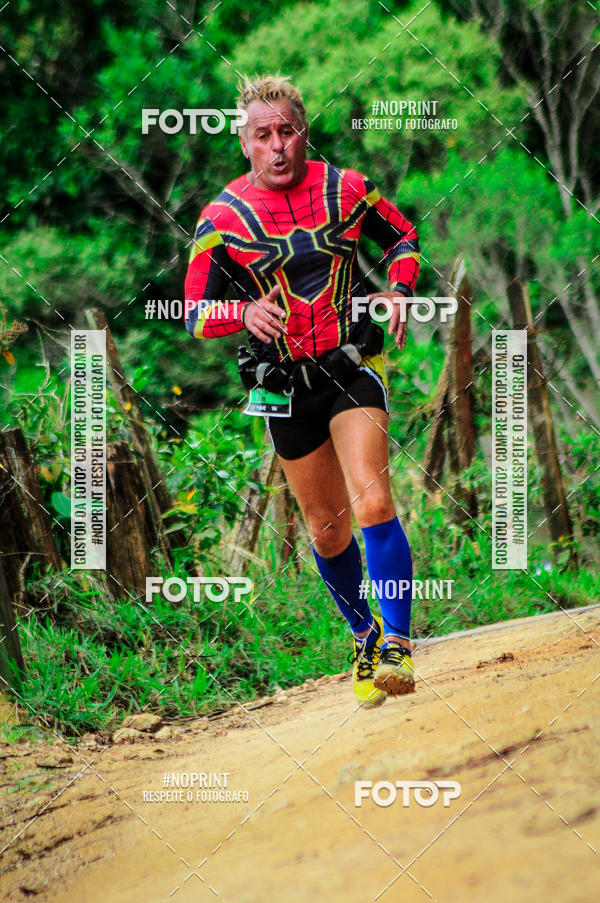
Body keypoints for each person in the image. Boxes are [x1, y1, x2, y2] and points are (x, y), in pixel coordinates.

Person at [185, 75, 420, 707]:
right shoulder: (219, 219)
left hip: (350, 367)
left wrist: (399, 289)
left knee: (373, 500)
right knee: (326, 530)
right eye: (263, 135)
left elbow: (403, 236)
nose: (277, 145)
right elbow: (194, 312)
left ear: (304, 133)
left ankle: (398, 645)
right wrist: (241, 314)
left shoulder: (348, 188)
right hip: (284, 386)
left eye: (287, 131)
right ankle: (364, 635)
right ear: (245, 144)